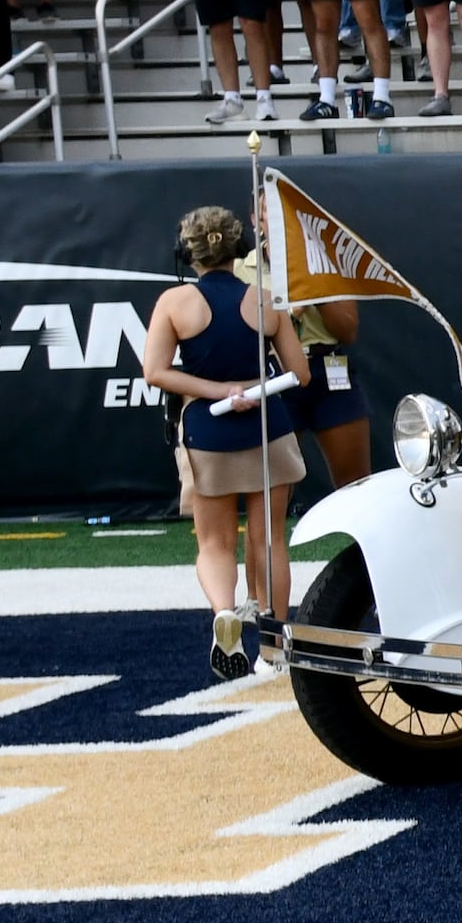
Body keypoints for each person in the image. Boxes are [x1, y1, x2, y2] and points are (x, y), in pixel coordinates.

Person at [138, 204, 310, 680]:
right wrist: (250, 389)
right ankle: (273, 646)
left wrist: (218, 392)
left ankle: (223, 611)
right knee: (269, 538)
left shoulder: (174, 303)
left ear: (187, 253)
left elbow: (155, 372)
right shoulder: (266, 299)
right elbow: (301, 372)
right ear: (238, 250)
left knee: (214, 542)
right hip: (267, 427)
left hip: (208, 432)